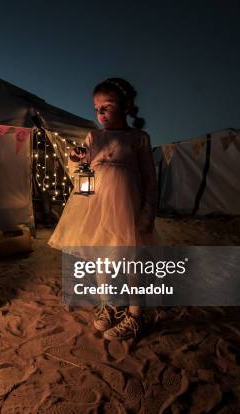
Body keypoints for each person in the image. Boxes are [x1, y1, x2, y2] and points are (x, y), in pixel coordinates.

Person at [48, 78, 158, 340]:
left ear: (126, 106)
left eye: (106, 106)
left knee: (131, 262)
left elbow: (150, 179)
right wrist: (76, 160)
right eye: (96, 108)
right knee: (102, 259)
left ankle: (135, 314)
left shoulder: (138, 138)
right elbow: (82, 171)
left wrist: (147, 213)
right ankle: (110, 304)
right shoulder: (93, 136)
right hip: (96, 206)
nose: (100, 113)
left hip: (126, 208)